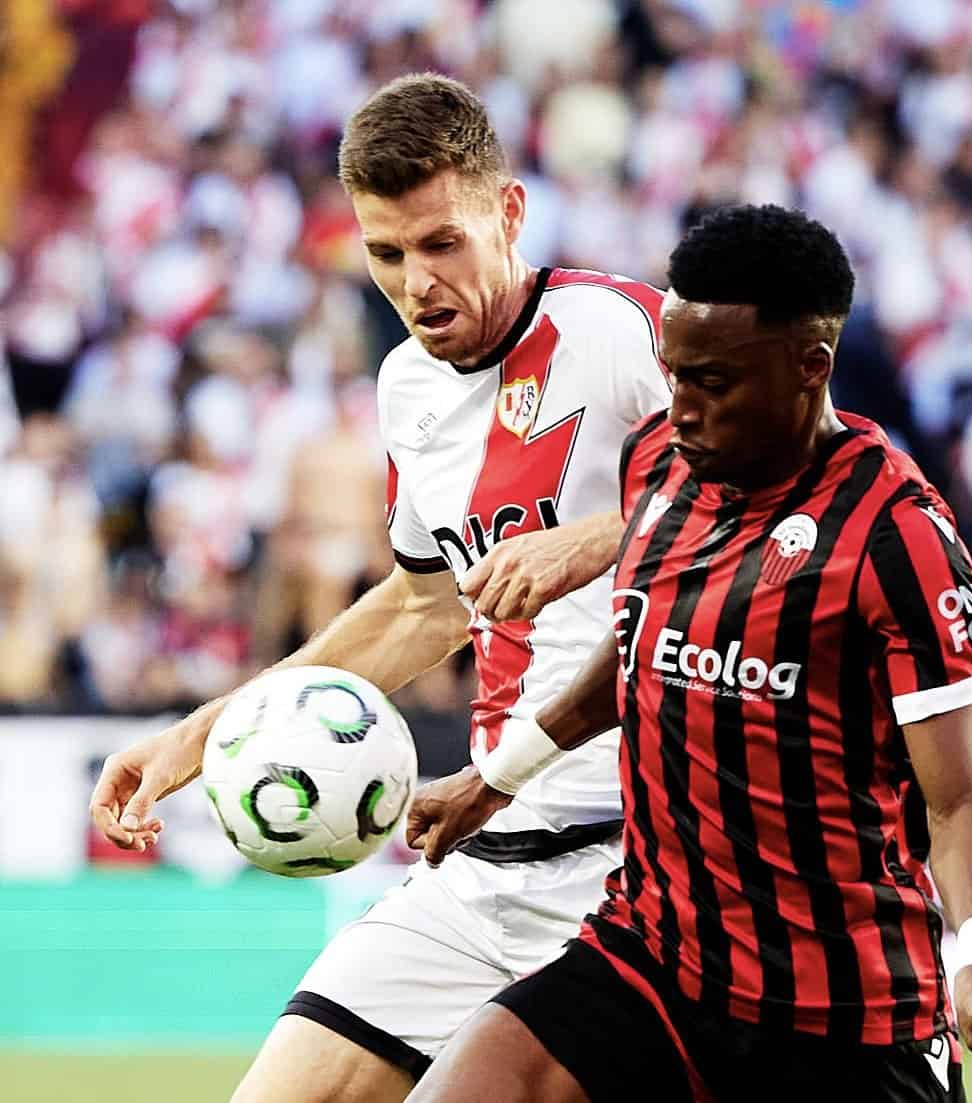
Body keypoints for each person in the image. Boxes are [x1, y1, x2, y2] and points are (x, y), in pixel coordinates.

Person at [88, 73, 672, 1103]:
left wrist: (598, 537)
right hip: (483, 859)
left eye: (442, 242)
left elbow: (791, 495)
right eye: (387, 252)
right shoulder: (407, 386)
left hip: (643, 870)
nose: (416, 281)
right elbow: (421, 605)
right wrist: (203, 733)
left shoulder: (625, 332)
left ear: (510, 211)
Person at [409, 205, 972, 1103]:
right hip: (652, 958)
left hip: (841, 1017)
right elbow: (640, 647)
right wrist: (499, 775)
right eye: (673, 375)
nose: (680, 408)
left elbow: (969, 791)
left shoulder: (895, 535)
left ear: (809, 368)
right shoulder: (660, 468)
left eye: (712, 382)